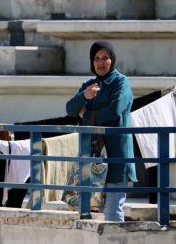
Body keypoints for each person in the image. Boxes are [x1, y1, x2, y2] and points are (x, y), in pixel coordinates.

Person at [66, 41, 137, 221]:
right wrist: (84, 96)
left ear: (112, 60)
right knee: (86, 213)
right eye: (96, 58)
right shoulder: (89, 85)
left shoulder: (121, 82)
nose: (100, 62)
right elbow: (70, 109)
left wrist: (86, 114)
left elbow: (114, 110)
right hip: (93, 158)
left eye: (105, 57)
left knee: (113, 213)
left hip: (116, 156)